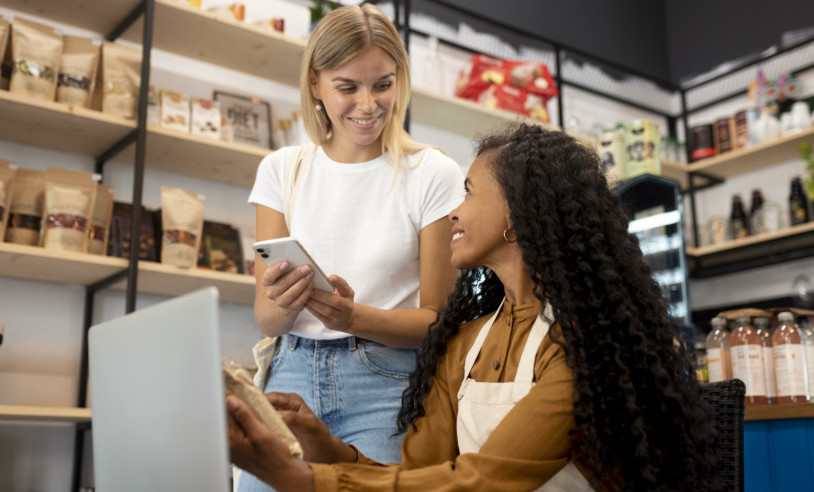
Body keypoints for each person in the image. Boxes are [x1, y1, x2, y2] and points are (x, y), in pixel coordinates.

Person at [228, 124, 718, 491]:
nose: (453, 211)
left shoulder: (583, 346)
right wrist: (323, 445)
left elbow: (480, 481)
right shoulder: (466, 341)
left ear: (516, 212)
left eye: (467, 191)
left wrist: (297, 478)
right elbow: (419, 478)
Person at [238, 3, 464, 490]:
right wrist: (282, 301)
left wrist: (351, 317)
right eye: (348, 87)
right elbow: (267, 319)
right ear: (316, 84)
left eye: (382, 84)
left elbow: (438, 321)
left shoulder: (432, 174)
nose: (368, 105)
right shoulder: (282, 170)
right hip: (290, 372)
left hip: (386, 383)